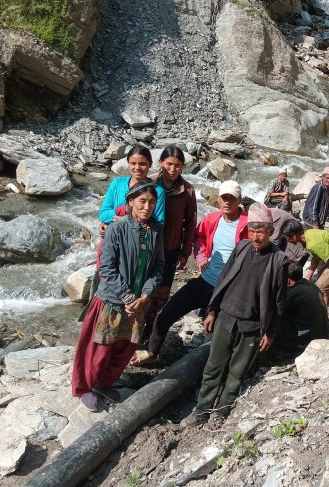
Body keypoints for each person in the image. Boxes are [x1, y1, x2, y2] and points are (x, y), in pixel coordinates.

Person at [182, 203, 287, 427]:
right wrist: (212, 310)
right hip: (226, 318)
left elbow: (279, 301)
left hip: (251, 326)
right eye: (252, 231)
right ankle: (201, 411)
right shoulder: (241, 248)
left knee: (236, 372)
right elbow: (223, 280)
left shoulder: (278, 260)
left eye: (261, 231)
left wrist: (270, 332)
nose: (256, 237)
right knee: (213, 367)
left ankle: (221, 411)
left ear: (270, 231)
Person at [132, 181, 248, 365]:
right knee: (165, 314)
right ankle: (152, 352)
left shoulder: (247, 225)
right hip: (206, 280)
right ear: (218, 199)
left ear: (239, 200)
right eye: (224, 198)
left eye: (232, 199)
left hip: (230, 288)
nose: (228, 202)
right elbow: (198, 236)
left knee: (220, 329)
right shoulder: (212, 219)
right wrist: (201, 257)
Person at [72, 181, 165, 411]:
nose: (147, 207)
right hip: (113, 301)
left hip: (139, 303)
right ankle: (85, 387)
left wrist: (144, 295)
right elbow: (106, 269)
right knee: (99, 349)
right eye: (142, 201)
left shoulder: (155, 231)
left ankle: (104, 383)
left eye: (152, 202)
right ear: (130, 202)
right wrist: (126, 296)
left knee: (124, 347)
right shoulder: (116, 229)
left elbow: (158, 266)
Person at [146, 146, 197, 337]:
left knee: (162, 292)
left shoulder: (187, 191)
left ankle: (151, 331)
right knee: (142, 288)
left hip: (170, 248)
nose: (173, 169)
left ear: (183, 167)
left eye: (177, 165)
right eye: (169, 164)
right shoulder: (149, 184)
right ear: (161, 163)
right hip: (147, 247)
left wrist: (186, 252)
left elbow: (191, 222)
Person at [281, 219, 329, 312]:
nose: (288, 241)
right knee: (321, 277)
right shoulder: (307, 235)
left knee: (319, 288)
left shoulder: (314, 244)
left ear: (293, 236)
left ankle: (321, 318)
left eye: (287, 238)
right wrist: (308, 277)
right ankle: (324, 314)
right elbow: (315, 257)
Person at [99, 146, 166, 231]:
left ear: (150, 164)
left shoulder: (157, 191)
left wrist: (126, 221)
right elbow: (103, 214)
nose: (137, 168)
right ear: (128, 163)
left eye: (142, 164)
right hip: (116, 235)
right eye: (133, 163)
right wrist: (106, 222)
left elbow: (158, 222)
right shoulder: (117, 184)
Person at [274, 264, 328, 352]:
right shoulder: (313, 287)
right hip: (322, 333)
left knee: (277, 317)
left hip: (308, 338)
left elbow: (277, 311)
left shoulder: (294, 293)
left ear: (287, 280)